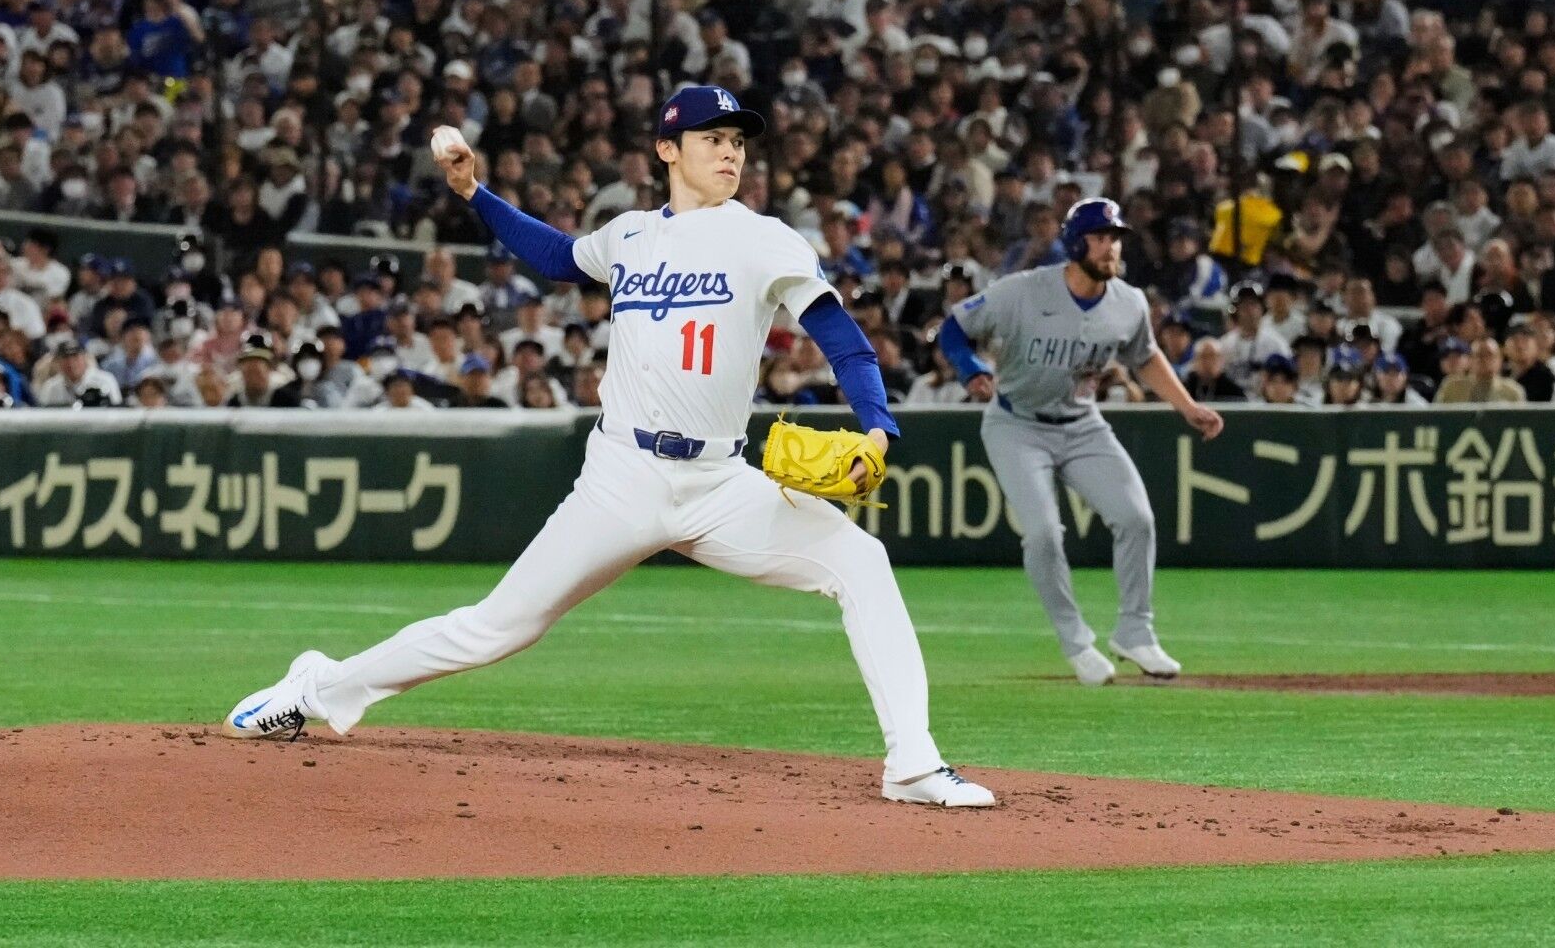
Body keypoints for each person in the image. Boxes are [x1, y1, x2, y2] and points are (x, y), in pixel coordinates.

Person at [223, 85, 995, 808]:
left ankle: (914, 764)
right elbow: (558, 257)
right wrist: (471, 192)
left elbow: (845, 343)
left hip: (720, 481)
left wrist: (876, 423)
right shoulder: (629, 235)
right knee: (497, 628)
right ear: (668, 149)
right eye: (712, 138)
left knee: (862, 561)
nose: (731, 153)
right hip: (621, 477)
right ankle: (322, 687)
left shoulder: (765, 241)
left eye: (738, 142)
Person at [935, 197, 1225, 688]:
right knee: (1045, 534)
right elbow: (952, 329)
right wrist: (970, 372)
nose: (1111, 246)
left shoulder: (1128, 302)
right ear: (1075, 242)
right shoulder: (1022, 291)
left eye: (1115, 238)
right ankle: (1076, 642)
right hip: (1016, 424)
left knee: (1137, 518)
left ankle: (1136, 631)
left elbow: (1146, 357)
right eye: (1101, 236)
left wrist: (1188, 407)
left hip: (1082, 423)